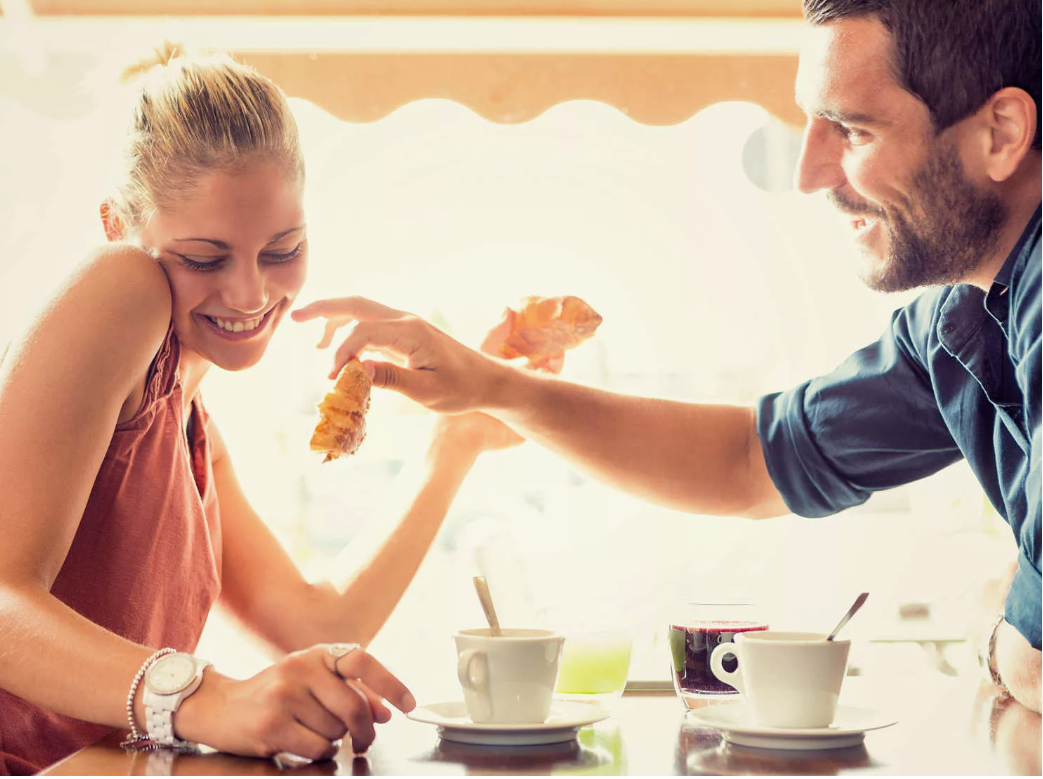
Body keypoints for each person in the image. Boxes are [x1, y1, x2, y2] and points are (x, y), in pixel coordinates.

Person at [292, 0, 1042, 713]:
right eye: (811, 123)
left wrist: (995, 636)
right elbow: (748, 460)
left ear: (1002, 132)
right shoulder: (957, 324)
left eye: (852, 131)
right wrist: (491, 387)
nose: (808, 173)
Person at [0, 45, 523, 774]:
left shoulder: (192, 425)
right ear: (118, 223)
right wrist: (204, 695)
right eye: (204, 258)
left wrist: (456, 439)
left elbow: (318, 622)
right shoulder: (122, 284)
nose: (250, 294)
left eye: (282, 250)